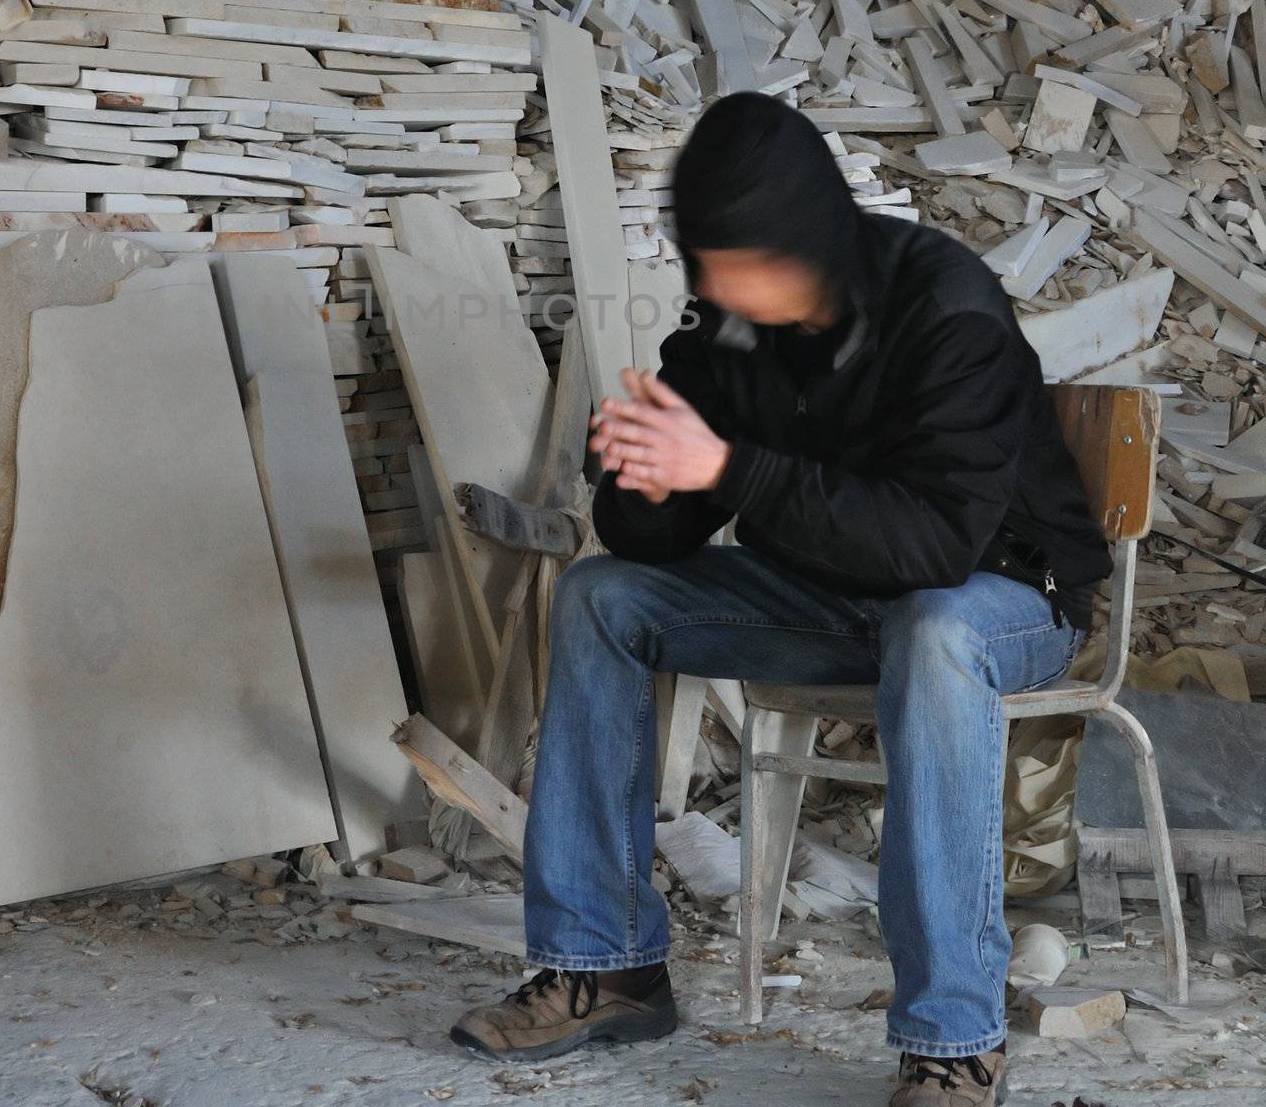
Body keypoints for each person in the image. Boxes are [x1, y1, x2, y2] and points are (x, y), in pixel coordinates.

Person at [450, 93, 1110, 1106]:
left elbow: (934, 545)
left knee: (931, 630)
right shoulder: (730, 321)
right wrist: (642, 472)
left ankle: (953, 1039)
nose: (711, 287)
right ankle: (609, 963)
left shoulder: (947, 308)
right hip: (830, 599)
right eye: (701, 263)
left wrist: (727, 466)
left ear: (807, 242)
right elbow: (649, 536)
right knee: (600, 594)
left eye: (735, 263)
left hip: (1005, 599)